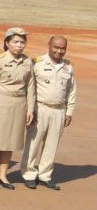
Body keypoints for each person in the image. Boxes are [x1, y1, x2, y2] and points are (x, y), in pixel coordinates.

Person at [21, 36, 76, 190]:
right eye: (56, 47)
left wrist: (69, 112)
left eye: (63, 48)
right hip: (40, 108)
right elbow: (29, 88)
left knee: (52, 145)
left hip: (59, 110)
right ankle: (29, 174)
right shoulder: (37, 63)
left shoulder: (68, 67)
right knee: (33, 143)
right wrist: (30, 109)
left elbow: (71, 91)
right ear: (49, 46)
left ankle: (44, 175)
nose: (59, 51)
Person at [0, 28, 34, 190]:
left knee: (11, 140)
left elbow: (31, 87)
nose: (19, 45)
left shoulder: (27, 62)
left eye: (22, 42)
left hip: (19, 104)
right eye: (15, 42)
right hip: (1, 103)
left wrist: (30, 109)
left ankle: (2, 173)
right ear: (7, 43)